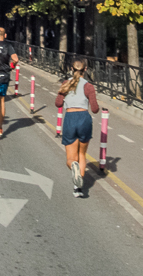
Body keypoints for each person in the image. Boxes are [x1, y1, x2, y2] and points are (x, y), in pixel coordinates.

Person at [55, 58, 100, 197]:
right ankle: (78, 188)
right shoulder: (89, 86)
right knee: (82, 155)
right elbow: (95, 109)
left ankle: (73, 167)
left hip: (70, 119)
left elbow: (58, 103)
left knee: (71, 158)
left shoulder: (65, 83)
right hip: (84, 119)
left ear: (71, 68)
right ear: (85, 70)